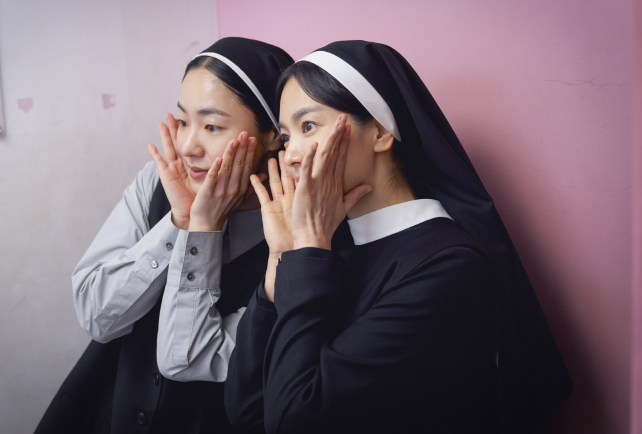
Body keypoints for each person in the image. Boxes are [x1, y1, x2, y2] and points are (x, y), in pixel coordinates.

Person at [224, 41, 573, 434]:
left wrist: (306, 250)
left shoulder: (450, 266)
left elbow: (293, 422)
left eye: (309, 126)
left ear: (379, 132)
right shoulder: (320, 249)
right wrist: (281, 258)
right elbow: (247, 411)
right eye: (286, 137)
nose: (290, 155)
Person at [34, 37, 293, 434]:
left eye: (212, 126)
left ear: (274, 134)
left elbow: (189, 358)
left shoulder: (293, 226)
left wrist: (204, 230)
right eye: (184, 121)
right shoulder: (157, 182)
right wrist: (178, 222)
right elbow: (97, 317)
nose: (189, 146)